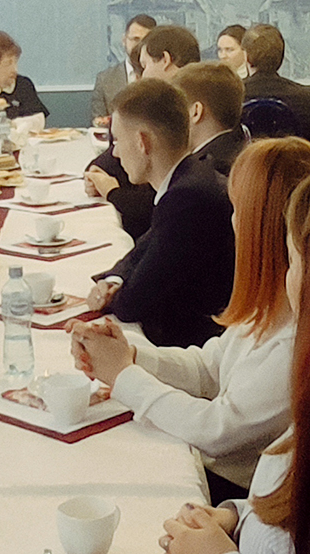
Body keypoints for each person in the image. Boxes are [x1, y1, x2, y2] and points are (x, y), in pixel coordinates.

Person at [71, 138, 310, 504]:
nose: (231, 221)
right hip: (212, 467)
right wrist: (131, 356)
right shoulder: (269, 305)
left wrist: (123, 376)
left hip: (232, 490)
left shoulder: (293, 341)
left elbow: (217, 430)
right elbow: (207, 368)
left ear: (262, 230)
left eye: (237, 210)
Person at [155, 170, 310, 554]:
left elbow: (217, 429)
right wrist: (235, 516)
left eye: (294, 260)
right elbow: (288, 503)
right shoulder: (267, 318)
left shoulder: (289, 349)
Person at [86, 78, 235, 348]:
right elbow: (145, 247)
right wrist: (114, 279)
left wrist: (112, 296)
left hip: (197, 343)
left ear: (142, 141)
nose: (115, 153)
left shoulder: (187, 198)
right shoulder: (190, 175)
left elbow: (133, 303)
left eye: (117, 140)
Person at [85, 25, 202, 240]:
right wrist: (97, 173)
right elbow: (112, 158)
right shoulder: (162, 103)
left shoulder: (186, 109)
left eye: (145, 65)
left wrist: (113, 192)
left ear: (165, 60)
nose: (143, 75)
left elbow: (155, 201)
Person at [174, 62, 248, 177]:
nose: (170, 119)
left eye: (175, 110)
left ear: (196, 112)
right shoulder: (246, 151)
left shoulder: (196, 174)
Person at [242, 23, 310, 139]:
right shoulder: (306, 98)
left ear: (246, 57)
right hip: (293, 151)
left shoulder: (230, 97)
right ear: (282, 57)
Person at [91, 14, 156, 121]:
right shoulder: (105, 80)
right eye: (135, 39)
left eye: (145, 41)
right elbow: (98, 123)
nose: (140, 45)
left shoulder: (164, 77)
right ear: (124, 40)